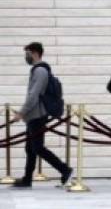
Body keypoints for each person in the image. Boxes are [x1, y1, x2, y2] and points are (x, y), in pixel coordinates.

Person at [9, 43, 73, 189]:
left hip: (37, 114)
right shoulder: (38, 70)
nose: (26, 56)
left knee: (38, 148)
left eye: (28, 53)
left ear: (36, 53)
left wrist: (21, 112)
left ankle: (65, 170)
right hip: (34, 114)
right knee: (30, 148)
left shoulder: (40, 71)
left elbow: (33, 95)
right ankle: (27, 179)